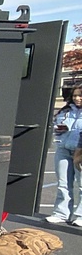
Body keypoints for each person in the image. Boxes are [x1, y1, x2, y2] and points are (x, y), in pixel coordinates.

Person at [48, 86, 82, 224]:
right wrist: (59, 129)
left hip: (80, 151)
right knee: (63, 184)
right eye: (74, 96)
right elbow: (55, 126)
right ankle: (61, 213)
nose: (77, 98)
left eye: (80, 95)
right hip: (63, 150)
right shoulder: (66, 111)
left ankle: (80, 215)